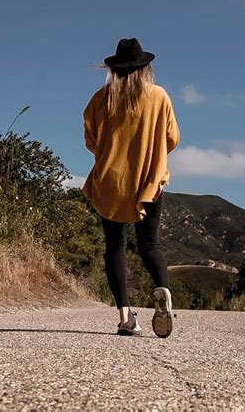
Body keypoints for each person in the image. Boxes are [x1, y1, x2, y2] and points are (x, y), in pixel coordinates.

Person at [82, 37, 180, 338]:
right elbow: (172, 138)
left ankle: (126, 318)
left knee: (115, 246)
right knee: (150, 244)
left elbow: (90, 140)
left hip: (111, 181)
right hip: (147, 179)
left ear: (114, 69)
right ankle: (162, 290)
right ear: (145, 68)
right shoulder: (159, 96)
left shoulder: (101, 98)